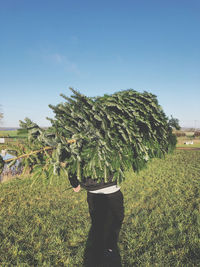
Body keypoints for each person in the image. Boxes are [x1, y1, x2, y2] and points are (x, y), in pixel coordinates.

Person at [69, 174, 124, 265]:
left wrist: (75, 183)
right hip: (112, 188)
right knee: (115, 220)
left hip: (94, 191)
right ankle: (109, 248)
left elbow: (71, 162)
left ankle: (102, 249)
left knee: (98, 223)